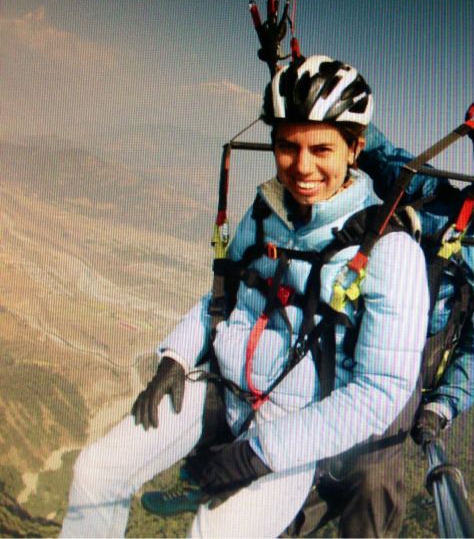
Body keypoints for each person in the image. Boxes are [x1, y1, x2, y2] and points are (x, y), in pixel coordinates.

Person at [59, 55, 429, 538]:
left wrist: (258, 453)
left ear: (354, 149)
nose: (302, 166)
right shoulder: (265, 211)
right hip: (220, 390)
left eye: (321, 149)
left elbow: (379, 392)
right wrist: (175, 357)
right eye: (288, 146)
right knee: (96, 473)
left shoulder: (391, 251)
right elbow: (225, 296)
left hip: (294, 430)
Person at [287, 123, 474, 537]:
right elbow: (383, 156)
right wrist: (342, 119)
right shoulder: (433, 195)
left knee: (372, 476)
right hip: (349, 336)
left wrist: (442, 406)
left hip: (404, 371)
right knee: (296, 453)